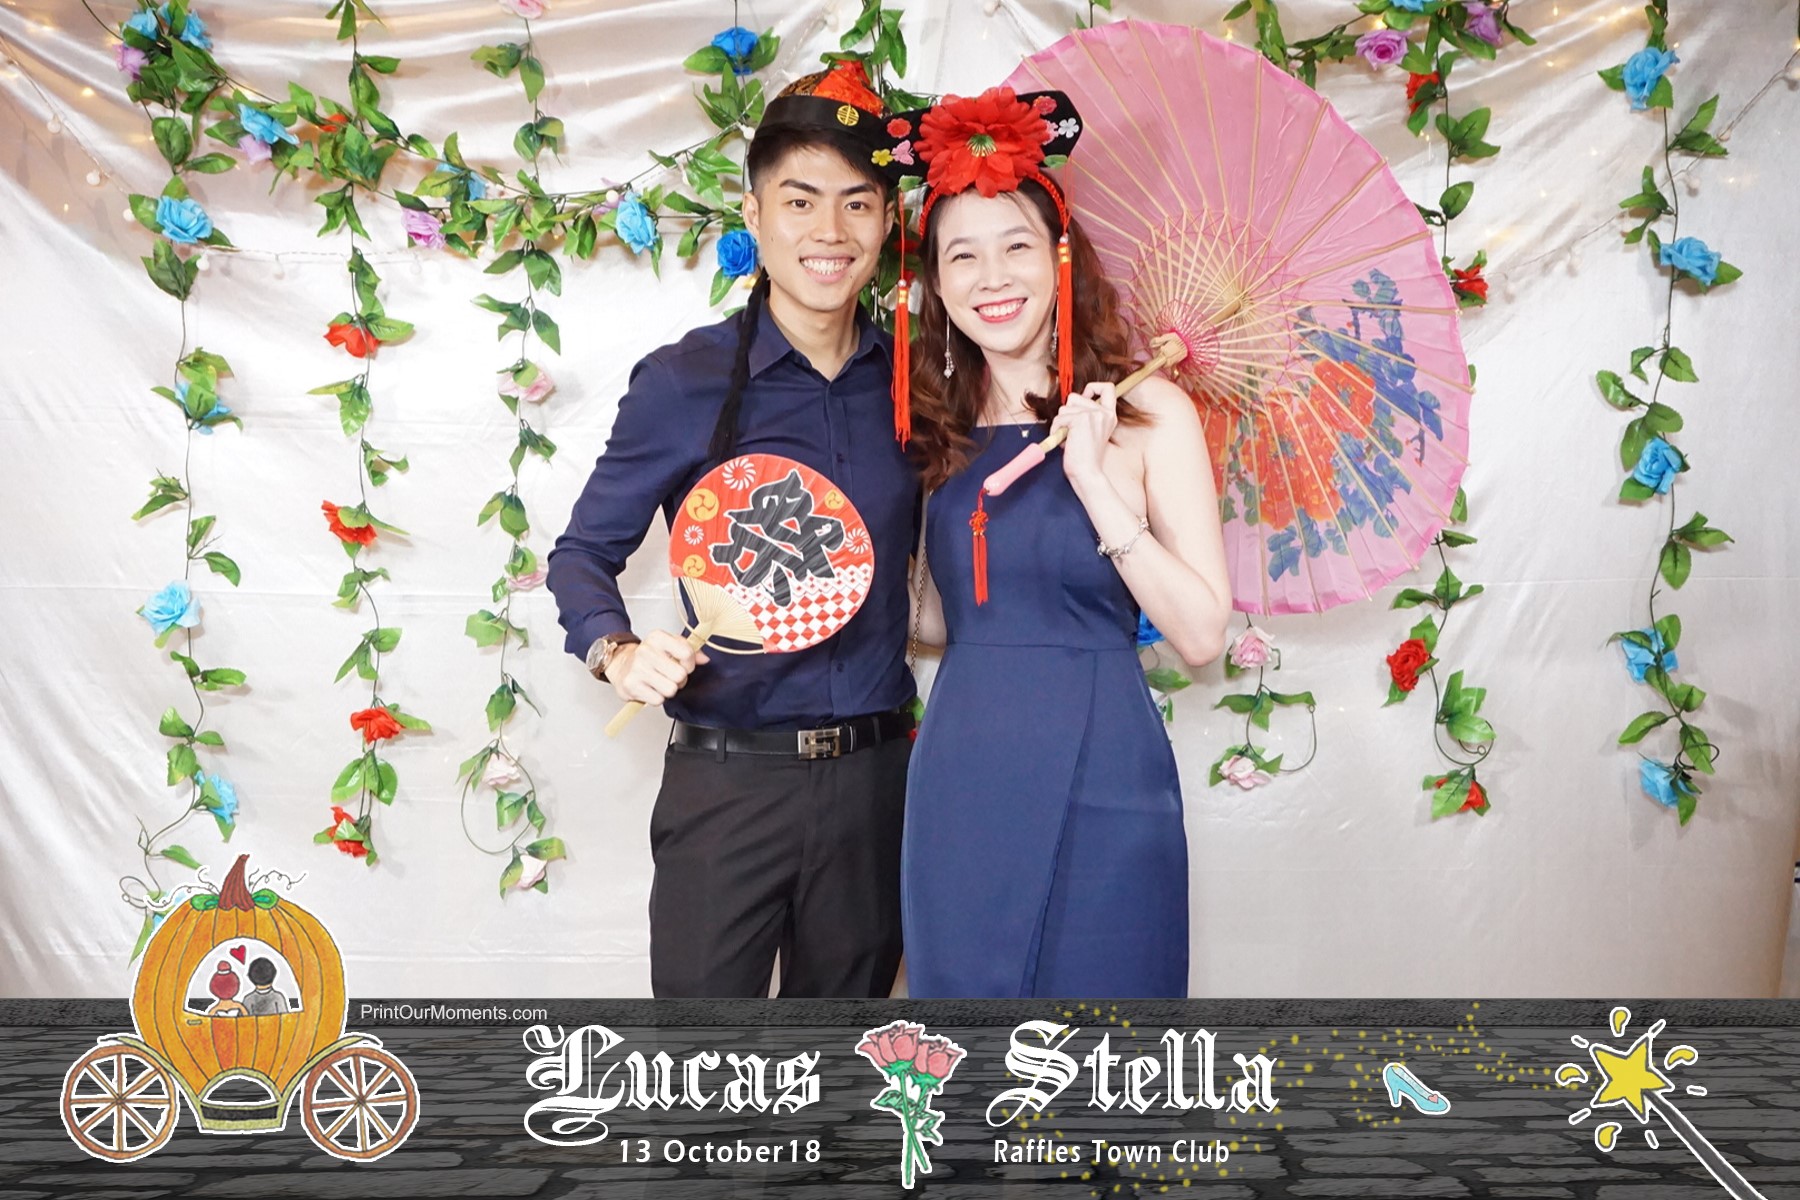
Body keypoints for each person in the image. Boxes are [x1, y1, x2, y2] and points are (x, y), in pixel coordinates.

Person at [547, 62, 919, 999]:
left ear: (887, 222)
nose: (829, 232)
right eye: (800, 201)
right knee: (706, 1065)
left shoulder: (918, 385)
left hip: (877, 786)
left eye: (857, 204)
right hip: (728, 787)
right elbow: (581, 555)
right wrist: (616, 652)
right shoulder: (687, 380)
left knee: (846, 1065)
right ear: (754, 215)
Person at [897, 87, 1233, 998]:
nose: (991, 277)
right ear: (936, 284)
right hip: (963, 775)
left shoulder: (1148, 410)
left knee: (1102, 1037)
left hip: (1105, 770)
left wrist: (1094, 484)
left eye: (1015, 246)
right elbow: (939, 622)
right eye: (962, 256)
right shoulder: (934, 427)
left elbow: (1203, 635)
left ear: (1059, 257)